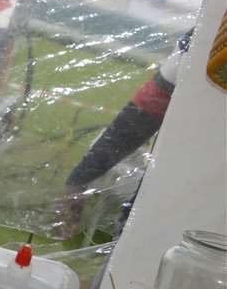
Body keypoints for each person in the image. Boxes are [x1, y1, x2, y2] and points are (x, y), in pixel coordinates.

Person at [58, 30, 191, 237]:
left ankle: (122, 234)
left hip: (186, 105)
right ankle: (70, 223)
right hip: (161, 96)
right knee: (90, 167)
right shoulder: (203, 31)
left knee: (157, 183)